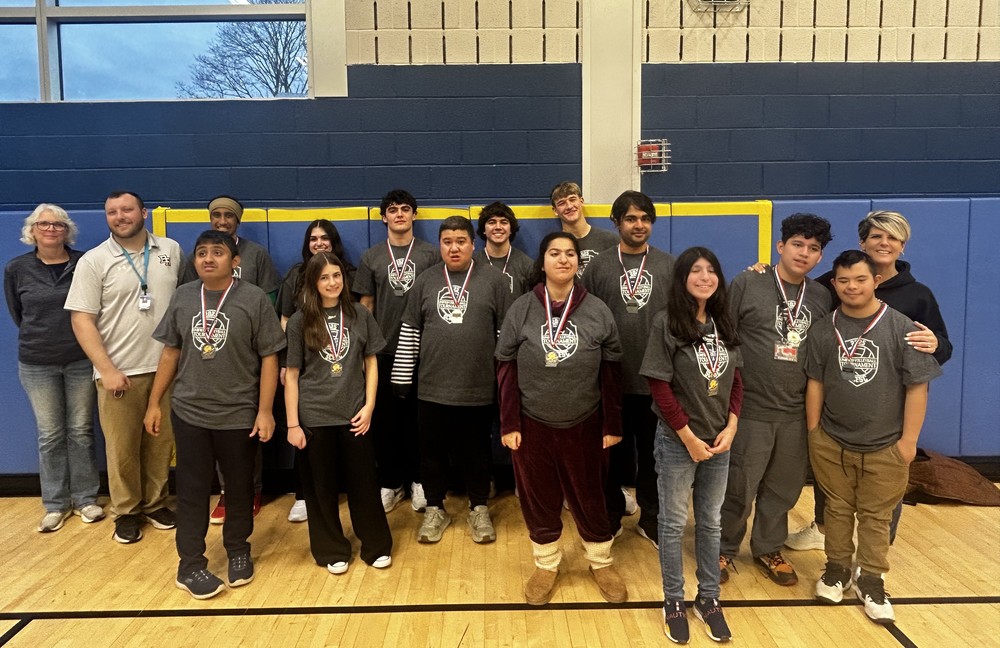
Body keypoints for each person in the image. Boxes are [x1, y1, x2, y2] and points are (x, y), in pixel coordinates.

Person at [785, 210, 951, 551]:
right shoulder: (834, 282)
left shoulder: (918, 295)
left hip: (887, 413)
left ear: (903, 246)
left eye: (893, 237)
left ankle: (877, 553)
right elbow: (794, 289)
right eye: (876, 236)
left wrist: (936, 343)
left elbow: (942, 348)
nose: (884, 243)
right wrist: (760, 270)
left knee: (885, 486)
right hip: (839, 404)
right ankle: (822, 528)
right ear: (863, 242)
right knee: (832, 476)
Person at [143, 230, 285, 600]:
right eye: (202, 252)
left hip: (238, 413)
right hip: (190, 412)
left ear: (234, 262)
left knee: (239, 488)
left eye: (218, 252)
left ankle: (238, 549)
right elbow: (170, 352)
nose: (208, 258)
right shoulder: (183, 296)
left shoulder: (253, 299)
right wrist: (154, 402)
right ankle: (190, 563)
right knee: (191, 491)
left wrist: (265, 410)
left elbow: (270, 357)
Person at [805, 250, 941, 624]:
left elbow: (917, 387)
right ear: (834, 284)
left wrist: (908, 442)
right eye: (844, 280)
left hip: (886, 445)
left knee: (876, 516)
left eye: (860, 279)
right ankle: (836, 569)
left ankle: (872, 579)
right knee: (836, 509)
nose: (852, 287)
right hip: (832, 441)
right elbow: (815, 381)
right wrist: (814, 431)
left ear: (876, 281)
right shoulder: (824, 329)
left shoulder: (903, 328)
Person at [495, 231, 627, 606]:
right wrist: (510, 423)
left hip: (585, 423)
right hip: (532, 423)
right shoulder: (522, 308)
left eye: (570, 253)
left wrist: (612, 424)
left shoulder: (597, 310)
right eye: (555, 253)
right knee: (538, 498)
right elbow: (505, 367)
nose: (564, 259)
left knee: (591, 496)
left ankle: (601, 562)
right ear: (543, 262)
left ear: (578, 262)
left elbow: (612, 371)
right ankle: (546, 564)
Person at [718, 214, 833, 587]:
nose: (804, 253)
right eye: (797, 244)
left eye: (813, 248)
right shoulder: (748, 282)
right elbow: (723, 336)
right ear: (780, 246)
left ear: (820, 257)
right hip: (750, 409)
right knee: (738, 486)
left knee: (783, 488)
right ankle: (722, 547)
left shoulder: (820, 296)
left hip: (795, 413)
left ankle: (768, 547)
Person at [66, 190, 182, 544]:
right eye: (112, 212)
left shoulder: (170, 250)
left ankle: (156, 503)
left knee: (160, 442)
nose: (120, 216)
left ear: (143, 213)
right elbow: (81, 319)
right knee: (122, 448)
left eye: (127, 209)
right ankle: (127, 511)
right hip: (119, 372)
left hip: (166, 367)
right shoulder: (94, 260)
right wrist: (106, 369)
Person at [640, 247, 742, 644]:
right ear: (682, 278)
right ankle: (673, 601)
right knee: (671, 524)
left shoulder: (723, 322)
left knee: (711, 522)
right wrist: (688, 437)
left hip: (719, 441)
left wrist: (732, 426)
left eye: (711, 270)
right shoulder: (666, 322)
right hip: (678, 441)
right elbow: (659, 386)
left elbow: (736, 380)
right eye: (695, 270)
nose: (704, 277)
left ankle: (709, 598)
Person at [391, 216, 512, 545]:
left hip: (478, 387)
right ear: (440, 245)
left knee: (478, 452)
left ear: (473, 244)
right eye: (447, 242)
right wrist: (401, 377)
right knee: (431, 453)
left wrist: (505, 383)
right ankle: (435, 508)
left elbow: (504, 336)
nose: (454, 248)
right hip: (432, 388)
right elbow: (411, 331)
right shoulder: (425, 280)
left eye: (461, 241)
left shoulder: (494, 281)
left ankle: (478, 507)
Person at [284, 252, 393, 575]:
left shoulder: (359, 314)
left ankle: (376, 545)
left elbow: (371, 361)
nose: (332, 282)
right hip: (314, 416)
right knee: (321, 490)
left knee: (365, 484)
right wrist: (293, 424)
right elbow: (292, 375)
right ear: (313, 282)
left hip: (354, 414)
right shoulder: (300, 321)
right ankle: (331, 549)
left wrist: (369, 406)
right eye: (324, 277)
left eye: (336, 276)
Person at [581, 190, 674, 546]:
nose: (639, 225)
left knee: (654, 456)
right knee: (610, 455)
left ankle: (651, 518)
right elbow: (585, 318)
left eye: (645, 219)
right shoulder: (598, 267)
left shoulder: (668, 265)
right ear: (616, 222)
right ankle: (611, 513)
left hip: (655, 379)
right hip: (610, 379)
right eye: (631, 218)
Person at [5, 204, 103, 533]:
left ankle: (86, 499)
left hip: (80, 359)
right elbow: (18, 313)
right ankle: (56, 504)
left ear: (67, 231)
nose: (51, 229)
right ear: (32, 230)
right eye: (43, 224)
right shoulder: (16, 268)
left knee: (80, 431)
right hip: (37, 363)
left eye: (58, 224)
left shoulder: (84, 263)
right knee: (50, 434)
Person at [184, 196, 281, 525]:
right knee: (213, 426)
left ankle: (250, 490)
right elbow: (189, 299)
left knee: (247, 424)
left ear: (238, 221)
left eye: (228, 215)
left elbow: (270, 297)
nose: (222, 220)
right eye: (217, 215)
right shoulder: (199, 254)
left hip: (245, 347)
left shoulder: (257, 254)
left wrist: (255, 334)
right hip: (207, 346)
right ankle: (226, 491)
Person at [354, 189, 440, 514]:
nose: (400, 214)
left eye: (405, 209)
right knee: (385, 422)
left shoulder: (431, 254)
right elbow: (366, 305)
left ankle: (419, 481)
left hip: (422, 352)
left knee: (419, 423)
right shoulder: (371, 257)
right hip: (384, 351)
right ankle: (391, 482)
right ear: (384, 217)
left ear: (414, 215)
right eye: (393, 210)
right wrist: (366, 351)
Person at [276, 218, 356, 524]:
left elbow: (356, 318)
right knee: (306, 431)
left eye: (324, 237)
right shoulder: (296, 275)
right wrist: (287, 361)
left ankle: (343, 493)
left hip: (340, 363)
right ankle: (304, 495)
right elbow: (285, 319)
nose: (319, 243)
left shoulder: (348, 273)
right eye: (313, 238)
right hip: (306, 365)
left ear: (334, 242)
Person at [550, 181, 619, 277]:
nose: (569, 206)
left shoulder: (611, 241)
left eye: (572, 199)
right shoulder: (553, 247)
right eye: (562, 203)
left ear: (581, 201)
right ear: (555, 210)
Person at [473, 201, 533, 296]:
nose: (498, 227)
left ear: (511, 229)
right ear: (484, 230)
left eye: (504, 222)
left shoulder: (527, 265)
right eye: (492, 222)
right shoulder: (473, 263)